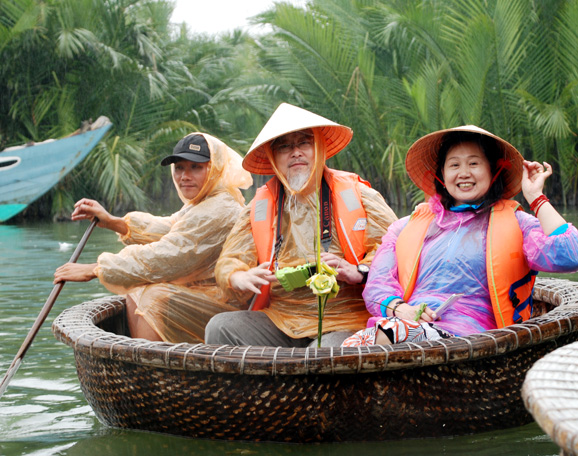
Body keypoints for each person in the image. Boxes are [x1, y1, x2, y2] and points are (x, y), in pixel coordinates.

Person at [342, 125, 578, 347]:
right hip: (407, 322)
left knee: (392, 332)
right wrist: (401, 309)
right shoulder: (405, 227)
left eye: (474, 163)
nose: (464, 173)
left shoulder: (517, 223)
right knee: (353, 344)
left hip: (475, 334)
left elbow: (570, 256)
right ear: (442, 174)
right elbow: (376, 286)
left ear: (493, 170)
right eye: (454, 165)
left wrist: (536, 197)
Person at [204, 103, 398, 347]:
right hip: (282, 319)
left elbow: (394, 249)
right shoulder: (260, 206)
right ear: (274, 158)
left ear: (319, 149)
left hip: (345, 319)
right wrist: (237, 276)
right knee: (220, 327)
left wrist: (358, 271)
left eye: (304, 143)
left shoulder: (357, 195)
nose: (295, 152)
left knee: (322, 352)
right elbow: (229, 260)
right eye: (284, 147)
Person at [54, 132, 253, 343]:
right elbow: (169, 228)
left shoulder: (219, 208)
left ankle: (146, 360)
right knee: (138, 287)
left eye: (195, 167)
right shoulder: (206, 201)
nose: (185, 176)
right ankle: (140, 353)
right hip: (206, 295)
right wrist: (114, 222)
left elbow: (167, 256)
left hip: (227, 307)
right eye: (179, 168)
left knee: (154, 297)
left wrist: (96, 269)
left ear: (214, 169)